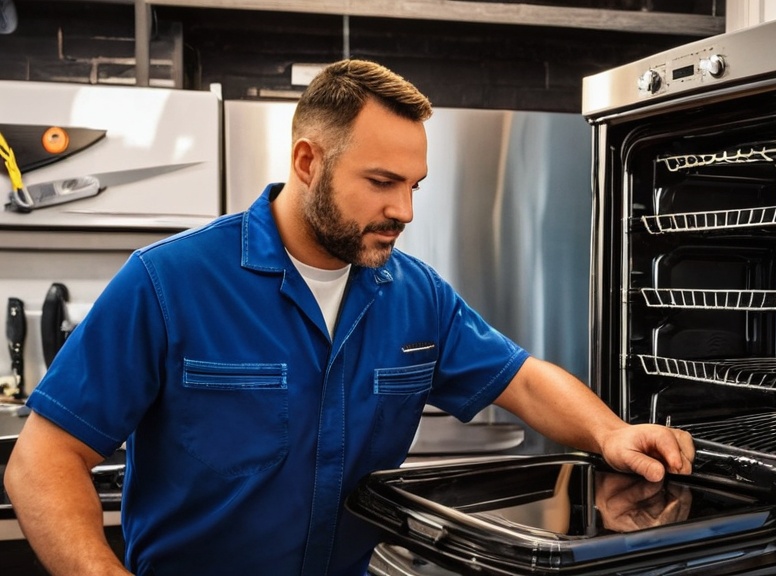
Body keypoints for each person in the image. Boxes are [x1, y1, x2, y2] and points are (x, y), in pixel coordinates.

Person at [3, 59, 694, 576]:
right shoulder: (167, 282)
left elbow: (520, 379)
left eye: (414, 185)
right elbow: (41, 462)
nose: (406, 211)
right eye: (382, 182)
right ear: (309, 161)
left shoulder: (413, 294)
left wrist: (612, 432)